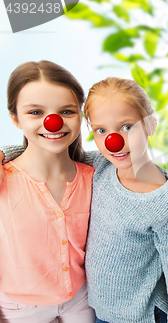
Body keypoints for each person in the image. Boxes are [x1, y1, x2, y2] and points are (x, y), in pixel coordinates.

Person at [1, 77, 168, 323]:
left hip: (141, 316)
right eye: (102, 130)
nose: (114, 141)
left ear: (151, 125)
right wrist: (5, 153)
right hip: (98, 312)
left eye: (127, 127)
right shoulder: (102, 166)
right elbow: (55, 151)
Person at [0, 60, 95, 322]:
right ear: (15, 118)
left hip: (81, 300)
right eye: (35, 112)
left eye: (66, 111)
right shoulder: (4, 180)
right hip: (18, 309)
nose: (52, 122)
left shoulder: (95, 178)